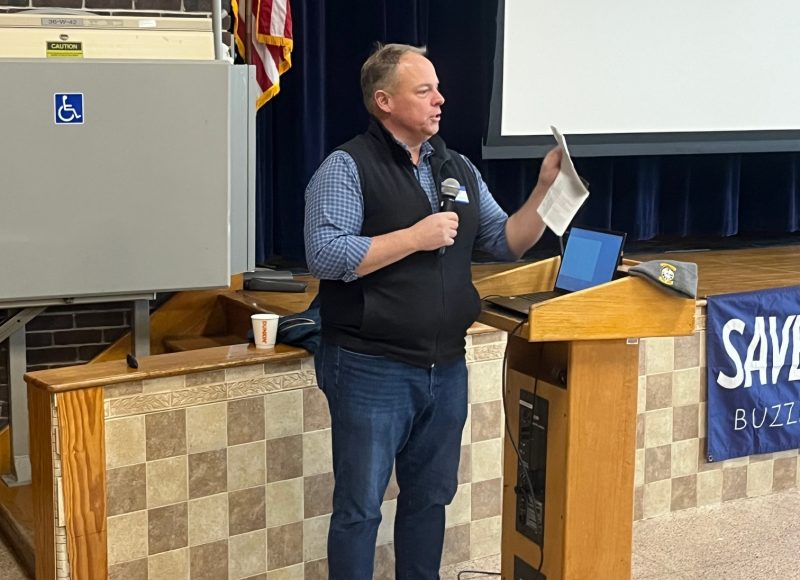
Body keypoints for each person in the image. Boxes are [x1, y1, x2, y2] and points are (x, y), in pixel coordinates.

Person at [304, 43, 561, 580]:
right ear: (384, 102)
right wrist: (414, 238)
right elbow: (325, 253)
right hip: (369, 365)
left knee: (429, 498)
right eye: (424, 90)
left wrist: (544, 188)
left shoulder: (457, 167)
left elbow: (507, 240)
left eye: (438, 88)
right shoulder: (346, 166)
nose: (440, 99)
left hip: (445, 365)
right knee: (360, 508)